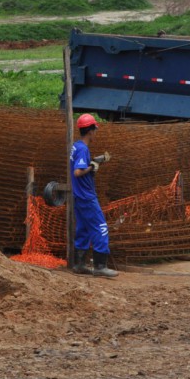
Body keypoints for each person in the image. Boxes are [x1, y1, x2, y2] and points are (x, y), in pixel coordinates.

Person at [69, 113, 117, 278]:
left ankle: (80, 264)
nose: (95, 132)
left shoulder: (76, 146)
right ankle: (100, 266)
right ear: (89, 131)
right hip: (87, 196)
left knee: (83, 228)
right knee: (101, 227)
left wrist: (96, 161)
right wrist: (92, 166)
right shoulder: (83, 149)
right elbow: (77, 172)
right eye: (94, 129)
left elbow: (80, 166)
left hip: (78, 196)